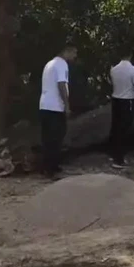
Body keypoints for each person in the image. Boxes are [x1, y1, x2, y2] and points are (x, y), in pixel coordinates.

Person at [38, 43, 77, 178]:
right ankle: (51, 169)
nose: (75, 56)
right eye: (73, 53)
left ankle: (49, 166)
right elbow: (61, 85)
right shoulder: (61, 64)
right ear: (66, 51)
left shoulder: (49, 64)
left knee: (47, 137)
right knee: (56, 137)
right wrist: (66, 105)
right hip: (55, 106)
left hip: (45, 104)